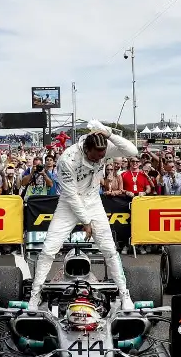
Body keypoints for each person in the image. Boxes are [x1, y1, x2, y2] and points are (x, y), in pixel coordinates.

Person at [29, 121, 139, 310]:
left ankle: (124, 293)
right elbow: (71, 195)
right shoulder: (67, 159)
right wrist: (86, 222)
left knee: (110, 250)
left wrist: (109, 133)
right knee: (48, 250)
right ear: (87, 149)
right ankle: (35, 294)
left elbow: (132, 151)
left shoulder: (101, 146)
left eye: (103, 156)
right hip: (68, 204)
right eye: (97, 157)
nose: (100, 160)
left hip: (93, 201)